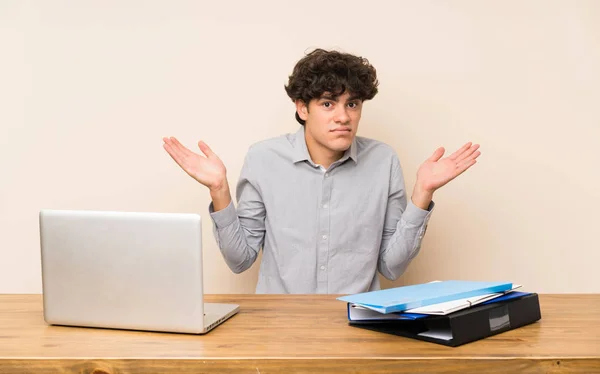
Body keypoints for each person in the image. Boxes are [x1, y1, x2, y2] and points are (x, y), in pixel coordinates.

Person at [163, 48, 480, 294]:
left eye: (352, 104)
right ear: (303, 108)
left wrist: (422, 194)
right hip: (281, 328)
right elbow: (239, 259)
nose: (343, 116)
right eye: (328, 104)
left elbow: (392, 267)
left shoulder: (383, 161)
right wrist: (219, 190)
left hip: (357, 325)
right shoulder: (263, 158)